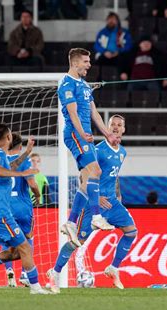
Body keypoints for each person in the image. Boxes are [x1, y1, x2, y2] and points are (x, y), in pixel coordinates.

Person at [48, 115, 137, 292]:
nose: (116, 128)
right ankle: (55, 272)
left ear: (124, 129)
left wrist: (117, 196)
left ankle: (113, 268)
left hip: (112, 203)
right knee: (76, 242)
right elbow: (84, 176)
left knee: (131, 232)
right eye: (113, 125)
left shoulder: (122, 152)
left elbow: (114, 176)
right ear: (107, 127)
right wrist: (96, 198)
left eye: (120, 125)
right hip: (94, 204)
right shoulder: (98, 150)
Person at [0, 123, 51, 295]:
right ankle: (35, 288)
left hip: (0, 211)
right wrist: (22, 174)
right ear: (8, 137)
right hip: (0, 212)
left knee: (15, 252)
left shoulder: (0, 154)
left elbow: (10, 167)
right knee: (26, 248)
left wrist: (26, 153)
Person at [57, 48, 119, 250]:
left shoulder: (84, 85)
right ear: (75, 63)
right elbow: (73, 113)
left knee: (86, 180)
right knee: (97, 171)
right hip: (76, 134)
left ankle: (71, 222)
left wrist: (107, 133)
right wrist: (82, 134)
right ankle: (96, 216)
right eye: (86, 61)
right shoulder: (66, 84)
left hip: (85, 135)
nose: (89, 65)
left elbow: (95, 113)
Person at [2, 133, 41, 287]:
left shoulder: (1, 162)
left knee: (8, 239)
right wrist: (38, 195)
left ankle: (9, 271)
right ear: (20, 147)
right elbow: (32, 183)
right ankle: (25, 274)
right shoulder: (24, 162)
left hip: (5, 207)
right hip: (22, 207)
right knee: (28, 238)